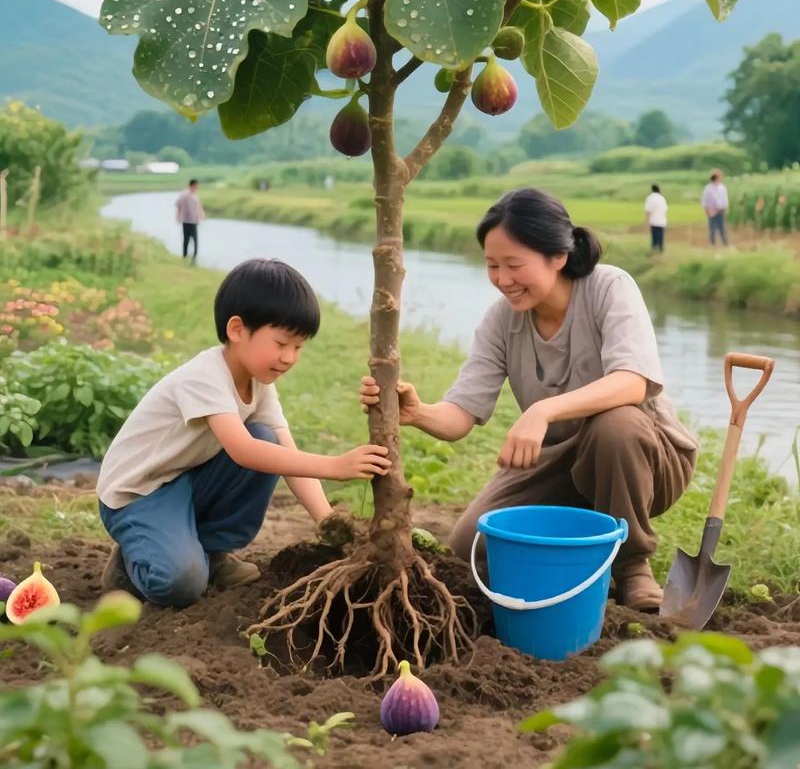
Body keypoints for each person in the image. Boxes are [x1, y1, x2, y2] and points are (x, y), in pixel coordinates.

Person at [361, 188, 698, 612]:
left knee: (615, 424)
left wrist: (543, 410)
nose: (503, 279)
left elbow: (633, 382)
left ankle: (631, 567)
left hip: (645, 460)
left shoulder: (609, 288)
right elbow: (461, 414)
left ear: (558, 256)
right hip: (560, 461)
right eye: (492, 266)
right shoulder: (502, 320)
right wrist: (418, 411)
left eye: (514, 265)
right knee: (472, 547)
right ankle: (582, 559)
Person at [98, 258, 390, 606]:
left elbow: (286, 454)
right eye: (281, 343)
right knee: (181, 586)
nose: (289, 357)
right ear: (237, 330)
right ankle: (130, 564)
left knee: (268, 438)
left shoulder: (258, 382)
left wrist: (327, 520)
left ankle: (212, 553)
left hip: (185, 481)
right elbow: (242, 451)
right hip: (138, 495)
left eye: (298, 347)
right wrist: (335, 466)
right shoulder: (203, 377)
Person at [176, 178, 205, 262]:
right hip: (186, 221)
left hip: (194, 221)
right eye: (196, 186)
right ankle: (185, 256)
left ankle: (194, 257)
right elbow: (178, 205)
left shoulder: (195, 195)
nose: (197, 188)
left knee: (195, 240)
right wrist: (178, 216)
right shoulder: (184, 194)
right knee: (186, 239)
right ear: (192, 185)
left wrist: (201, 215)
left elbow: (198, 207)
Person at [701, 170, 729, 246]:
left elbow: (725, 199)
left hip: (720, 210)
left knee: (722, 228)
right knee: (712, 228)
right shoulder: (708, 188)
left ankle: (725, 243)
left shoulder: (722, 188)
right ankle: (712, 243)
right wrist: (707, 210)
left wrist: (725, 208)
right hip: (711, 210)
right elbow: (705, 200)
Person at [644, 184, 668, 253]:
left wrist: (646, 222)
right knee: (660, 238)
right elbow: (665, 210)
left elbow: (648, 211)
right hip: (662, 221)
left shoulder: (650, 198)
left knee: (654, 238)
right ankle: (660, 251)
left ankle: (654, 252)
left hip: (654, 221)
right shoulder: (662, 198)